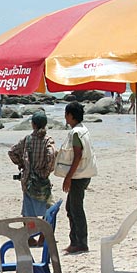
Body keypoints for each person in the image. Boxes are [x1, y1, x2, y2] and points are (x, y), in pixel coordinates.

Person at [57, 101, 97, 254]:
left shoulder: (75, 133)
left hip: (78, 176)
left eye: (66, 114)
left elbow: (78, 155)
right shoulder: (83, 130)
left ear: (71, 115)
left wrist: (68, 177)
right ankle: (75, 240)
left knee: (75, 209)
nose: (65, 117)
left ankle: (80, 242)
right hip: (84, 173)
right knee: (71, 207)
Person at [8, 111, 56, 219]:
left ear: (33, 124)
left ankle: (31, 235)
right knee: (48, 212)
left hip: (28, 181)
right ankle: (43, 234)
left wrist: (22, 164)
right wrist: (46, 171)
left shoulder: (27, 139)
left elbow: (12, 152)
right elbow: (51, 155)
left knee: (29, 213)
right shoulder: (47, 140)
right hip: (42, 182)